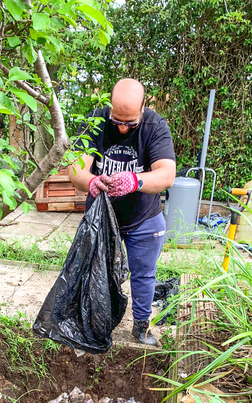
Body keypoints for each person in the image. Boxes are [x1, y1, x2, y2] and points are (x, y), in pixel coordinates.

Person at [69, 78, 176, 345]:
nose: (122, 127)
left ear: (143, 108)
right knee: (96, 271)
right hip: (102, 217)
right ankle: (95, 323)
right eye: (117, 120)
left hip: (144, 218)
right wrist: (91, 181)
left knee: (144, 273)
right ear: (109, 106)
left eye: (130, 123)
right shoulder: (95, 121)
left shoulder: (155, 126)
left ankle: (141, 326)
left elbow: (167, 174)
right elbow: (75, 170)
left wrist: (135, 181)